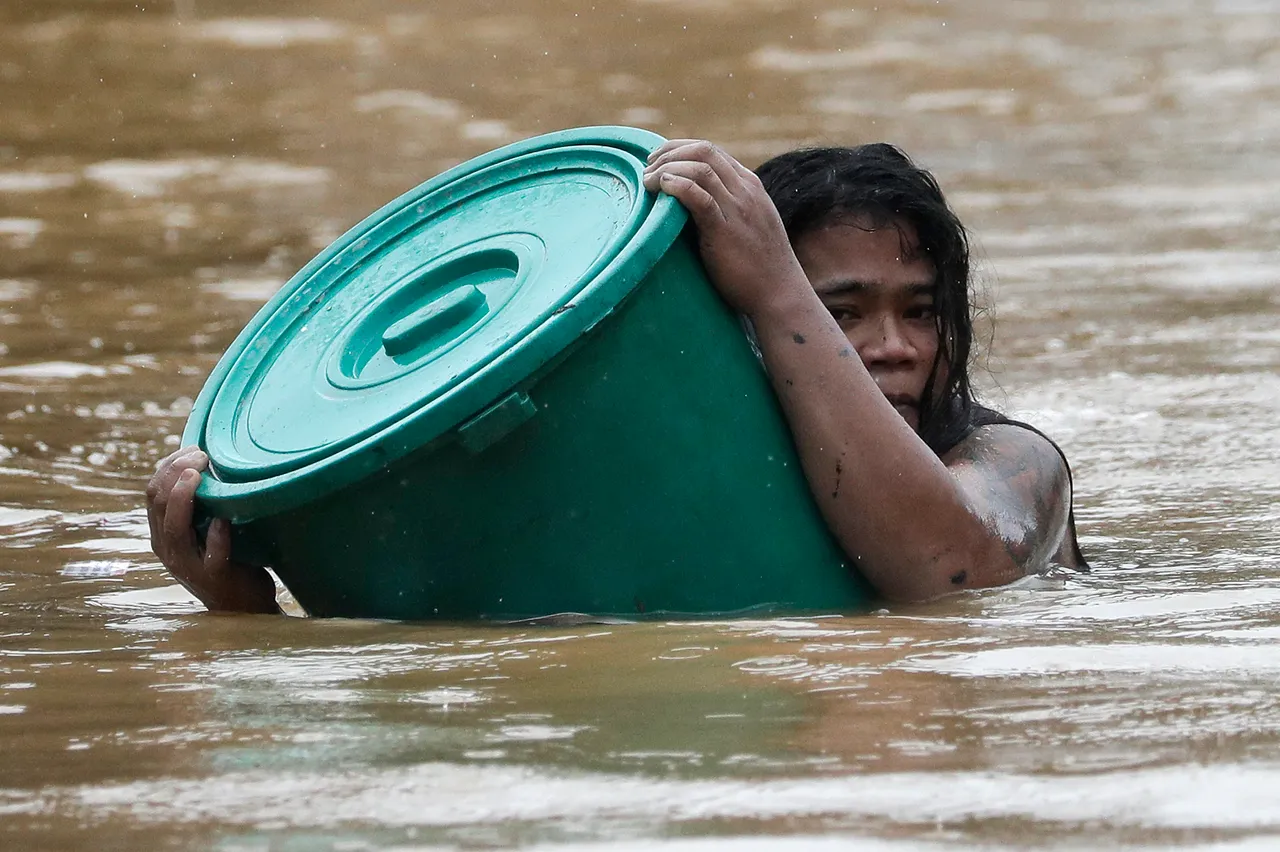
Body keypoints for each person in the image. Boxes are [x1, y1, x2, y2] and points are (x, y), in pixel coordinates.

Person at [146, 138, 1086, 614]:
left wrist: (777, 286)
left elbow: (958, 577)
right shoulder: (699, 481)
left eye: (921, 310)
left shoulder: (1014, 462)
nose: (894, 345)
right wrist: (248, 613)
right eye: (840, 312)